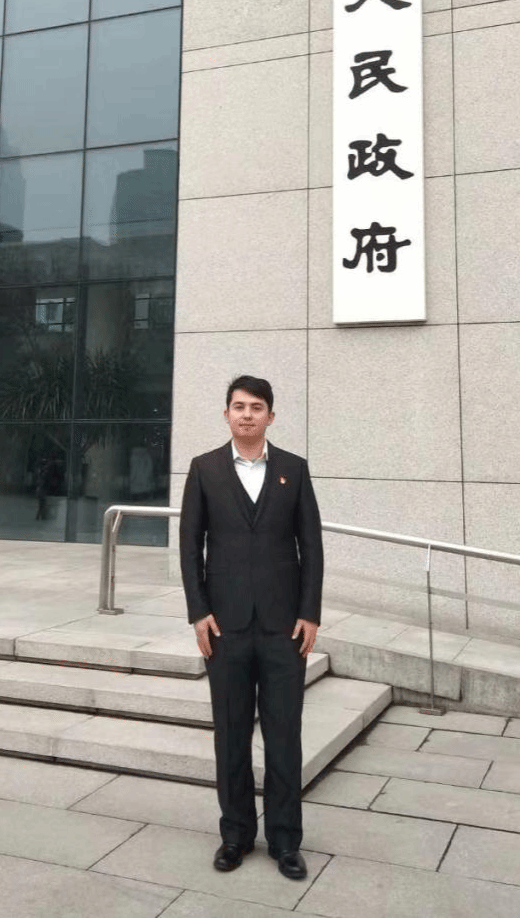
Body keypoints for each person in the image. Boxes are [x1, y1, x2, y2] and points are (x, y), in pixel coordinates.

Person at [179, 375, 324, 881]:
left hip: (285, 629)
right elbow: (189, 546)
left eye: (256, 407)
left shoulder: (294, 470)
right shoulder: (204, 469)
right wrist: (198, 612)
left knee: (285, 735)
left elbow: (311, 546)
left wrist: (310, 612)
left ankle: (285, 841)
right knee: (231, 734)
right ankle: (236, 835)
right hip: (226, 627)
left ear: (270, 416)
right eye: (238, 406)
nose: (246, 414)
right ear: (226, 414)